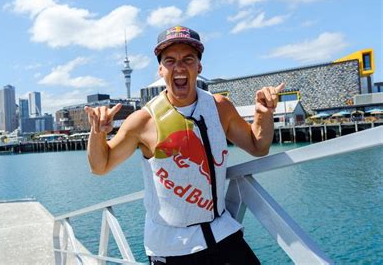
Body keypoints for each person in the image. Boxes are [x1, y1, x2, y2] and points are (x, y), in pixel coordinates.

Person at [84, 25, 284, 265]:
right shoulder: (143, 121)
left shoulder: (220, 107)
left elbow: (257, 146)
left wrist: (263, 113)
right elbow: (100, 166)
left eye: (188, 59)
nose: (179, 67)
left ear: (199, 67)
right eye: (170, 60)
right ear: (160, 69)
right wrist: (96, 133)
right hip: (171, 245)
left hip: (221, 231)